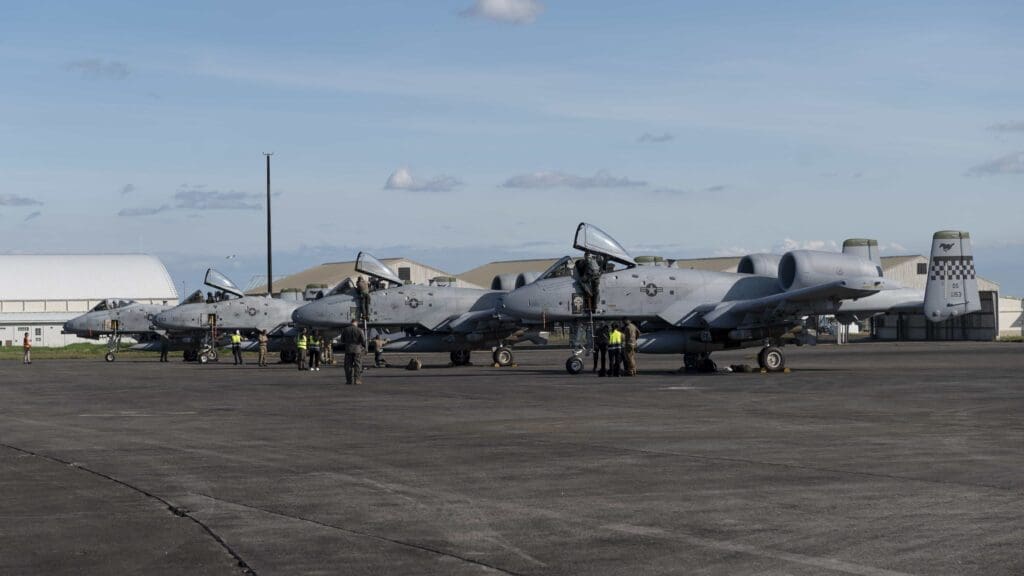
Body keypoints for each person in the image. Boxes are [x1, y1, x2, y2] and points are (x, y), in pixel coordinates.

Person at [339, 319, 366, 385]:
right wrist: (363, 346)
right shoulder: (359, 330)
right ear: (356, 323)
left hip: (348, 349)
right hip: (357, 350)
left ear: (351, 323)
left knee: (348, 366)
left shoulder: (345, 330)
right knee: (358, 365)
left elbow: (342, 340)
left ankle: (349, 381)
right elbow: (363, 340)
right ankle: (357, 380)